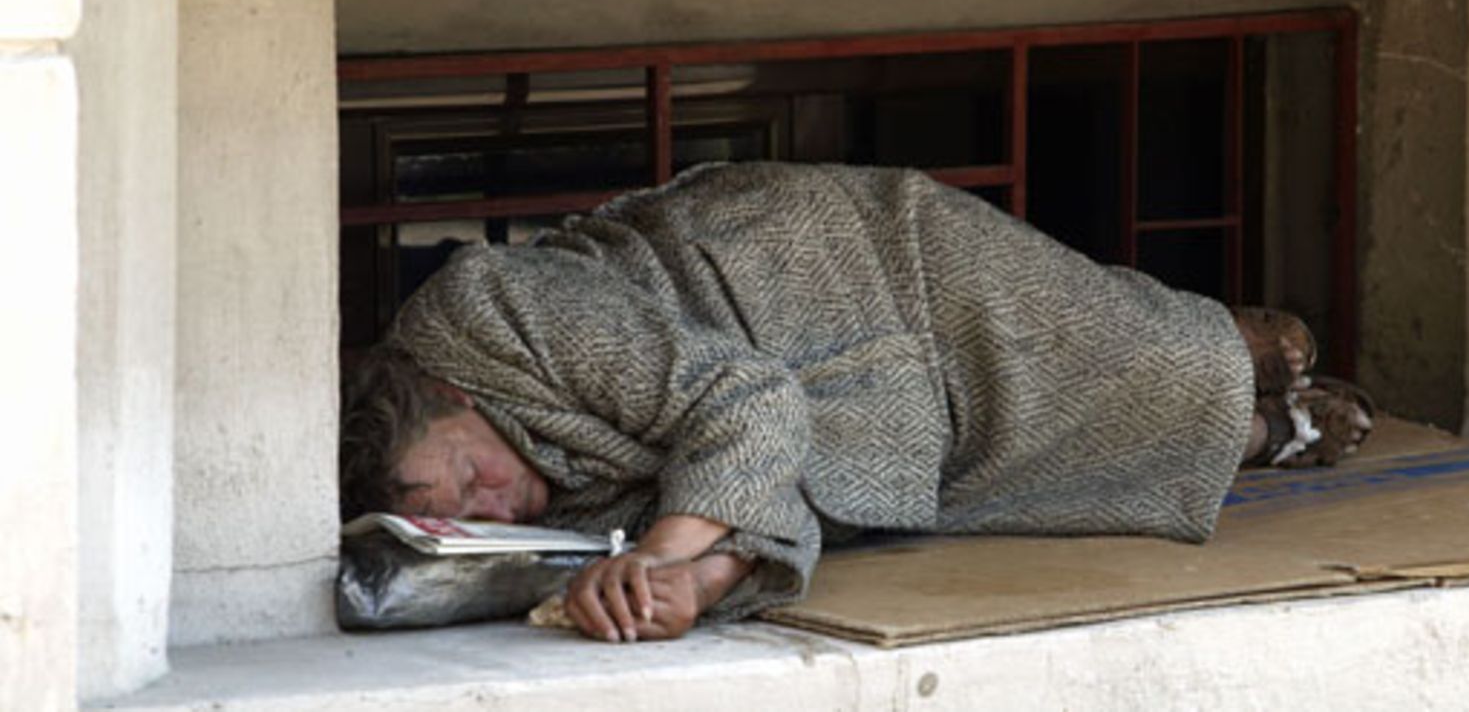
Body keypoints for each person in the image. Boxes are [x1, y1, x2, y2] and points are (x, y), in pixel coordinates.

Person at [339, 162, 1372, 643]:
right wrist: (695, 583)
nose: (494, 506)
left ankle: (1234, 348)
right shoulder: (521, 515)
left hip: (847, 267)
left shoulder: (490, 308)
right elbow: (751, 499)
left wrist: (659, 552)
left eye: (470, 471)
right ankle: (1267, 432)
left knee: (1122, 349)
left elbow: (737, 401)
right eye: (462, 512)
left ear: (446, 390)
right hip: (849, 423)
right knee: (1060, 469)